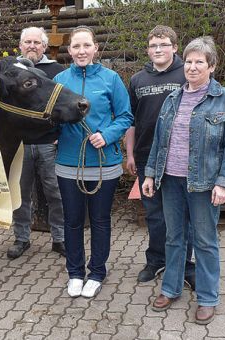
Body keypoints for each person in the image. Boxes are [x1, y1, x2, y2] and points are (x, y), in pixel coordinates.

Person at [143, 36, 225, 325]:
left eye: (200, 62)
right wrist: (149, 174)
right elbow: (159, 141)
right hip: (170, 180)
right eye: (190, 61)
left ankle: (208, 298)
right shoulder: (174, 98)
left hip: (205, 183)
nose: (193, 67)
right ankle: (171, 287)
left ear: (212, 66)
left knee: (205, 240)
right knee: (174, 237)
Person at [53, 26, 133, 298]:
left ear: (95, 48)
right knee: (73, 221)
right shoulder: (60, 80)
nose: (81, 51)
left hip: (104, 164)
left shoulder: (111, 79)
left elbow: (125, 116)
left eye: (86, 45)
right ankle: (75, 273)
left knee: (100, 220)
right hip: (68, 163)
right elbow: (51, 117)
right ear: (69, 50)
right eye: (76, 46)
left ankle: (97, 272)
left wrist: (107, 135)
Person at [126, 25, 195, 287]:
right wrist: (130, 154)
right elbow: (131, 121)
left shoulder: (187, 73)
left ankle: (186, 264)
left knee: (182, 214)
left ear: (175, 47)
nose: (158, 49)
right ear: (148, 49)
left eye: (164, 44)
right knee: (154, 214)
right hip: (147, 158)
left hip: (181, 158)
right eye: (153, 45)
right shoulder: (137, 80)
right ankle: (156, 259)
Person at [7, 26, 66, 259]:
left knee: (56, 193)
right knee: (20, 195)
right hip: (20, 145)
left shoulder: (56, 71)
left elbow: (63, 105)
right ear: (20, 46)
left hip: (48, 143)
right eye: (27, 42)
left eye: (37, 42)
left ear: (44, 46)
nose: (32, 46)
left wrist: (61, 134)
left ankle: (59, 238)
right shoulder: (10, 71)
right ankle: (21, 238)